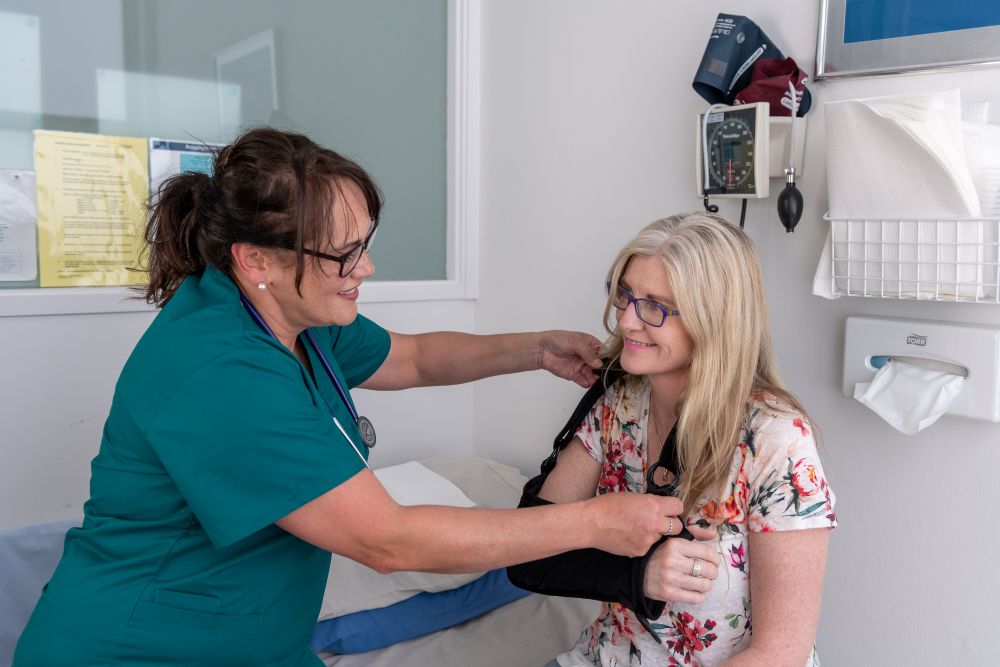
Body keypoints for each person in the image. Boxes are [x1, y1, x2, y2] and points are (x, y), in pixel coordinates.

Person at [12, 128, 687, 667]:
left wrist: (534, 348)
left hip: (255, 639)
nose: (365, 267)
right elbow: (388, 541)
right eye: (344, 254)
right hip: (139, 647)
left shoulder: (293, 315)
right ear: (258, 261)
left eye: (365, 243)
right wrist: (597, 522)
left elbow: (414, 356)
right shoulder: (220, 372)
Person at [508, 213, 837, 666]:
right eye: (624, 296)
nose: (626, 322)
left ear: (712, 322)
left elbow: (781, 653)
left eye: (654, 307)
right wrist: (637, 574)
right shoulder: (618, 404)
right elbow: (528, 555)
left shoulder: (777, 442)